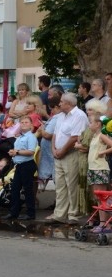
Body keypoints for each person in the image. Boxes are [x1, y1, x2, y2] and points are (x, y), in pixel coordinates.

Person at [46, 92, 88, 225]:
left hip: (71, 154)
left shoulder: (79, 115)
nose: (59, 104)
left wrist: (62, 150)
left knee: (72, 185)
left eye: (62, 102)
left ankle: (73, 215)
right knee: (60, 185)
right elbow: (55, 134)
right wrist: (54, 149)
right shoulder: (60, 116)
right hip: (59, 154)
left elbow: (75, 137)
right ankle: (59, 214)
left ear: (69, 103)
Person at [4, 115, 38, 221]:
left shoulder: (31, 137)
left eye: (26, 122)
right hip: (18, 165)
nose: (23, 124)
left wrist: (17, 152)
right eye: (22, 122)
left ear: (31, 125)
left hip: (27, 165)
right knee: (15, 189)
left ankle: (30, 213)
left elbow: (31, 152)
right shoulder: (19, 137)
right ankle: (14, 212)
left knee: (28, 189)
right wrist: (13, 152)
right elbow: (17, 150)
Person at [84, 113, 111, 231]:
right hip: (93, 168)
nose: (89, 124)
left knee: (102, 198)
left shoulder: (102, 135)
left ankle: (105, 224)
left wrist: (103, 152)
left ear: (98, 124)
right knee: (98, 197)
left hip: (100, 168)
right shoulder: (94, 136)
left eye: (91, 122)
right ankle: (102, 222)